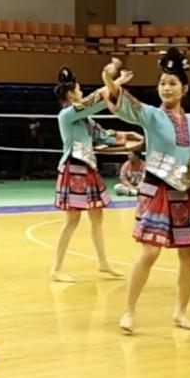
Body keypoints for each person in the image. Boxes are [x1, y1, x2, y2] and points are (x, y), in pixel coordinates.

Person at [102, 50, 190, 334]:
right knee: (150, 252)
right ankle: (129, 311)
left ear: (184, 89)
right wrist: (109, 79)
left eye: (172, 83)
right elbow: (125, 104)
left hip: (184, 191)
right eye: (163, 83)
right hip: (157, 189)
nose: (166, 88)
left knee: (189, 254)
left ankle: (181, 312)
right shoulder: (153, 116)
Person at [51, 67, 137, 282]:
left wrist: (128, 136)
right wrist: (116, 82)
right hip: (74, 168)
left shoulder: (85, 120)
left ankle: (103, 262)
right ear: (70, 94)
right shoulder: (67, 115)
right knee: (72, 220)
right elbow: (94, 101)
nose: (81, 92)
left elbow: (104, 135)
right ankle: (56, 267)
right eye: (78, 89)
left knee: (97, 217)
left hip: (87, 169)